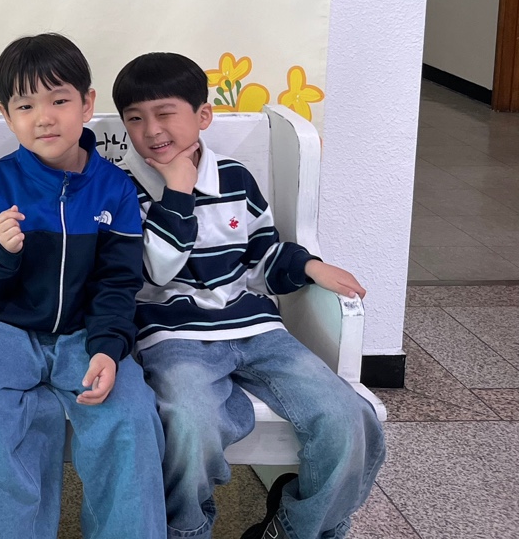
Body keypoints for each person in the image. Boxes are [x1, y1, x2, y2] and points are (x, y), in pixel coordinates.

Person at [113, 52, 384, 539]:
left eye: (165, 113)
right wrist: (178, 193)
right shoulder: (120, 188)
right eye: (135, 118)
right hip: (172, 337)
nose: (151, 129)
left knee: (349, 418)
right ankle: (186, 531)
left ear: (203, 115)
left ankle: (296, 529)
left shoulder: (235, 177)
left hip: (258, 331)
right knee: (190, 425)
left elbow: (262, 255)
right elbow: (154, 270)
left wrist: (309, 265)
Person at [0, 33, 165, 539]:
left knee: (131, 416)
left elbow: (118, 282)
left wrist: (109, 347)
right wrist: (3, 252)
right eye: (26, 105)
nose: (44, 117)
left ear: (87, 104)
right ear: (7, 116)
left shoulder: (115, 188)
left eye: (59, 100)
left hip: (86, 333)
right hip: (0, 330)